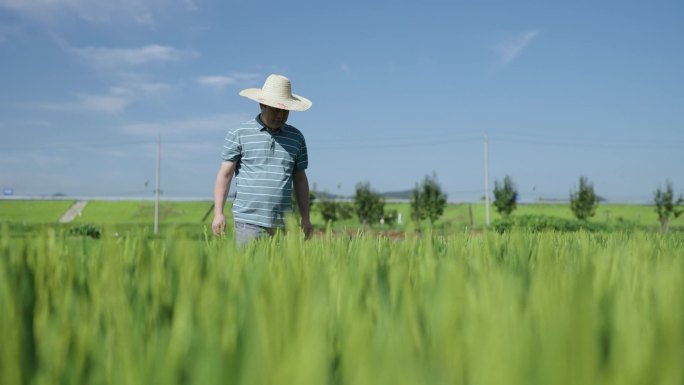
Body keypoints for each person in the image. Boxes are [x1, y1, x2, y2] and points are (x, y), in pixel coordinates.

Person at [212, 74, 314, 244]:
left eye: (285, 110)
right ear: (262, 105)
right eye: (275, 109)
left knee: (279, 271)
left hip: (283, 224)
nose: (280, 115)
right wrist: (218, 214)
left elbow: (300, 179)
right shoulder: (239, 133)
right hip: (248, 222)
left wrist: (305, 217)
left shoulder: (296, 138)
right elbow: (225, 175)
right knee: (249, 270)